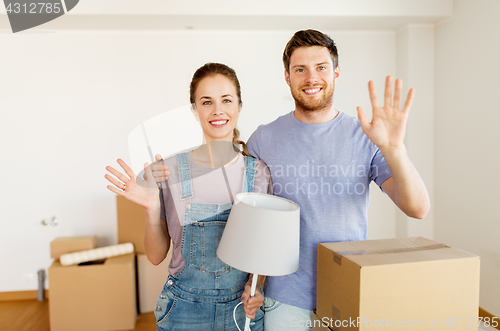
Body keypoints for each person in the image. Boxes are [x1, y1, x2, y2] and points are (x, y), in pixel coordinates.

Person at [244, 29, 430, 330]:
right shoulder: (263, 139)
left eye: (321, 68)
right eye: (300, 69)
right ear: (287, 77)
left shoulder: (366, 136)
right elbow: (253, 222)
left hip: (348, 285)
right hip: (285, 297)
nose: (311, 77)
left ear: (336, 72)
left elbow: (418, 208)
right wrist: (253, 282)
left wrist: (395, 149)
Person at [105, 63, 272, 331]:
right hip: (183, 311)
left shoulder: (260, 173)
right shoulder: (168, 171)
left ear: (239, 106)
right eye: (207, 102)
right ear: (194, 110)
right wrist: (151, 208)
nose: (217, 110)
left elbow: (262, 249)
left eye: (226, 100)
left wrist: (257, 288)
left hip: (242, 313)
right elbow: (156, 256)